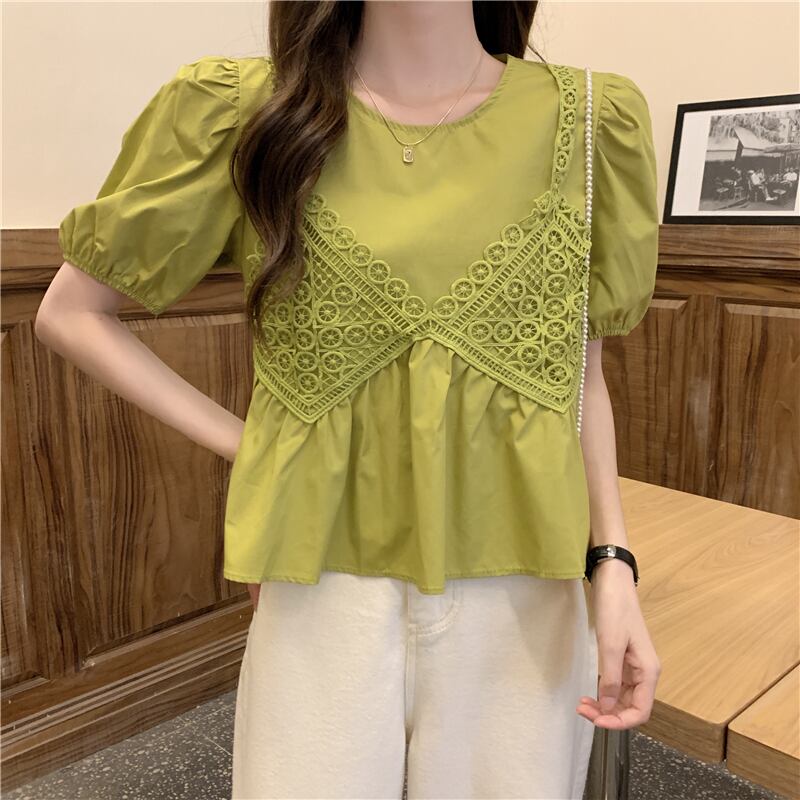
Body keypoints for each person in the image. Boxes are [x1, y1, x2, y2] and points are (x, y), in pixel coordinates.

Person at [37, 2, 662, 798]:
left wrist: (614, 563)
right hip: (323, 586)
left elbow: (576, 370)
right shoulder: (253, 114)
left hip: (523, 589)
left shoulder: (590, 121)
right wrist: (252, 447)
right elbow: (71, 313)